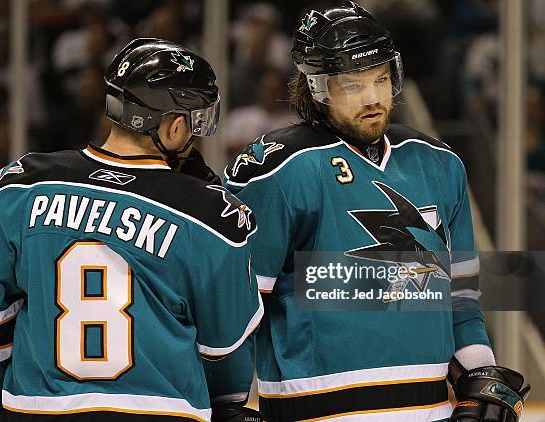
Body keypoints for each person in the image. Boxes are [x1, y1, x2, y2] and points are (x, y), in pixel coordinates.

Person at [222, 3, 530, 421]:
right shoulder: (278, 169)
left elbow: (459, 298)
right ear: (316, 87)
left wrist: (478, 376)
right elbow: (237, 309)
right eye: (351, 86)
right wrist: (227, 403)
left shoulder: (438, 162)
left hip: (432, 410)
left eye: (381, 80)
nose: (372, 99)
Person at [0, 38, 263, 421]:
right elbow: (224, 356)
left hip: (38, 411)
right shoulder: (210, 213)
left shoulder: (18, 186)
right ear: (175, 126)